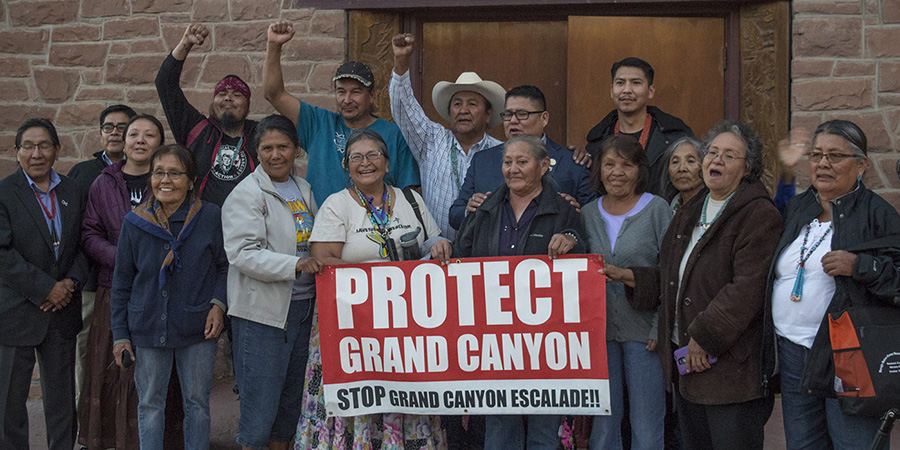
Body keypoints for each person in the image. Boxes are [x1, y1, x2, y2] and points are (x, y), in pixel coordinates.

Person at [610, 120, 783, 450]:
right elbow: (676, 275)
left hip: (730, 371)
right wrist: (629, 276)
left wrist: (704, 338)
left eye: (729, 156)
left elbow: (746, 288)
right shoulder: (693, 207)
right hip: (687, 364)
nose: (716, 160)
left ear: (747, 169)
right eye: (713, 152)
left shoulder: (757, 214)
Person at [298, 129, 451, 449]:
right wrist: (378, 281)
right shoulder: (336, 205)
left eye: (373, 155)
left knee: (404, 392)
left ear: (387, 162)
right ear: (346, 165)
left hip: (406, 325)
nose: (365, 163)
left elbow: (432, 239)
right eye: (356, 157)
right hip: (353, 326)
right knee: (358, 395)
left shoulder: (411, 199)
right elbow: (322, 259)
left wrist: (440, 246)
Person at [761, 120, 900, 450]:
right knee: (803, 444)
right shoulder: (799, 208)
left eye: (835, 156)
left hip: (851, 356)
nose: (823, 164)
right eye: (817, 155)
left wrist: (861, 266)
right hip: (794, 353)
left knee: (853, 444)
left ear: (861, 164)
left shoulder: (878, 214)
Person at [455, 134, 586, 450]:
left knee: (544, 427)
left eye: (522, 162)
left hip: (546, 338)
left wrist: (571, 239)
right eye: (507, 162)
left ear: (543, 166)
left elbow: (586, 259)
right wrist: (445, 249)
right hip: (495, 337)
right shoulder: (484, 208)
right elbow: (462, 258)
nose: (512, 169)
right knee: (500, 428)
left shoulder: (563, 210)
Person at [110, 144, 227, 450]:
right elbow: (121, 282)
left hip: (197, 327)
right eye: (159, 172)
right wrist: (120, 335)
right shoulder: (135, 223)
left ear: (191, 180)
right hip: (148, 327)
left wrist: (218, 304)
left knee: (197, 402)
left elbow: (225, 267)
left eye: (175, 173)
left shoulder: (210, 216)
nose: (165, 180)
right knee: (150, 403)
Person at [222, 115, 324, 450]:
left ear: (297, 150)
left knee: (291, 402)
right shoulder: (246, 194)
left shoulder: (304, 188)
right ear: (257, 152)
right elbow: (243, 253)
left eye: (283, 147)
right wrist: (296, 264)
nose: (275, 154)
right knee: (260, 405)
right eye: (267, 148)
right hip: (263, 315)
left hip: (303, 308)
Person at [77, 114, 164, 449]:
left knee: (153, 373)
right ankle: (110, 440)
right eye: (133, 134)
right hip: (114, 288)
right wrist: (124, 260)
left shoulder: (168, 179)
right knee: (111, 371)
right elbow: (89, 233)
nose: (140, 140)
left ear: (160, 142)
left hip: (159, 290)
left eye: (149, 135)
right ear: (123, 142)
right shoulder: (103, 182)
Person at [0, 118, 88, 450]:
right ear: (17, 151)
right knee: (9, 403)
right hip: (16, 312)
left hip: (62, 312)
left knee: (62, 401)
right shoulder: (4, 193)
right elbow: (2, 254)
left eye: (44, 145)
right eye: (29, 146)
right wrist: (44, 288)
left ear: (56, 150)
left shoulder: (73, 190)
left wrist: (69, 283)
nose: (36, 153)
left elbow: (84, 243)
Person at [264, 22, 420, 206]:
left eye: (355, 92)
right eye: (341, 92)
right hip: (325, 230)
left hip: (376, 231)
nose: (347, 99)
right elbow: (273, 94)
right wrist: (274, 45)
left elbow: (408, 192)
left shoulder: (392, 134)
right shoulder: (319, 123)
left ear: (371, 96)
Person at [582, 135, 670, 450]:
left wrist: (660, 325)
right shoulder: (587, 213)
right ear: (599, 169)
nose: (617, 172)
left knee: (646, 427)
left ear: (639, 170)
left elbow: (672, 273)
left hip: (644, 333)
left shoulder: (657, 209)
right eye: (609, 164)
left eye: (627, 164)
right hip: (599, 335)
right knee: (604, 427)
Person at [390, 33, 505, 240]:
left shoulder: (503, 152)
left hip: (488, 252)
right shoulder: (431, 140)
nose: (463, 110)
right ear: (449, 111)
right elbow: (403, 106)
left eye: (472, 104)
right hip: (439, 251)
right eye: (457, 103)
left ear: (488, 114)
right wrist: (401, 62)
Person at [450, 85, 595, 230]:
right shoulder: (482, 161)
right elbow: (455, 215)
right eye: (507, 114)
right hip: (492, 251)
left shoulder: (573, 162)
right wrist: (469, 211)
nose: (513, 121)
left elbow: (592, 220)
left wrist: (575, 215)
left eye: (522, 114)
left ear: (544, 118)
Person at [67, 103, 136, 406]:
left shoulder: (153, 169)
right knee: (90, 353)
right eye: (109, 127)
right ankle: (89, 420)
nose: (115, 132)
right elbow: (76, 231)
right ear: (100, 134)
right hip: (94, 283)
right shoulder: (82, 174)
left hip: (141, 282)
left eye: (123, 127)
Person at [155, 23, 259, 206]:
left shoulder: (259, 133)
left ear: (248, 106)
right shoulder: (196, 129)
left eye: (237, 95)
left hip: (250, 223)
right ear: (213, 103)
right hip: (201, 224)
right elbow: (165, 84)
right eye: (222, 94)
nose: (228, 98)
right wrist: (186, 42)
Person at [585, 57, 694, 200]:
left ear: (650, 91)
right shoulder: (597, 141)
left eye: (636, 83)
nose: (627, 90)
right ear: (612, 91)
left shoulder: (674, 138)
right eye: (620, 83)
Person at [661, 136, 706, 214]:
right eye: (675, 162)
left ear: (704, 166)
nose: (681, 168)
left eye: (690, 161)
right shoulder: (669, 208)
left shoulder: (714, 205)